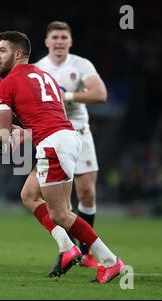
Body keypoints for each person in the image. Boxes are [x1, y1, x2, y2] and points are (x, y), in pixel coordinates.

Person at [0, 31, 124, 283]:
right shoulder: (45, 75)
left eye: (2, 50)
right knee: (29, 195)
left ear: (18, 53)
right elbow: (52, 116)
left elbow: (2, 140)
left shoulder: (6, 84)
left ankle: (110, 261)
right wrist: (24, 133)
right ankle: (66, 247)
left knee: (60, 214)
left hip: (53, 145)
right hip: (66, 138)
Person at [28, 21, 108, 269]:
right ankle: (70, 249)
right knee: (57, 201)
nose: (60, 41)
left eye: (64, 37)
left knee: (87, 193)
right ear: (47, 41)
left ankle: (86, 252)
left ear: (70, 41)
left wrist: (68, 96)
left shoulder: (81, 64)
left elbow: (100, 94)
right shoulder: (39, 68)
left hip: (80, 133)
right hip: (52, 135)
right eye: (55, 37)